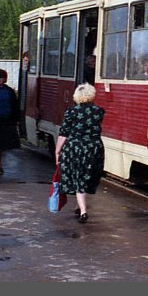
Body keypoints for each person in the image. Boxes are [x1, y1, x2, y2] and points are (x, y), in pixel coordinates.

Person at [55, 83, 105, 224]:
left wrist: (57, 150)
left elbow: (64, 133)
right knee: (85, 176)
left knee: (78, 178)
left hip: (75, 148)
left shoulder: (71, 112)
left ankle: (83, 211)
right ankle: (78, 206)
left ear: (76, 96)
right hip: (94, 147)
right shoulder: (99, 111)